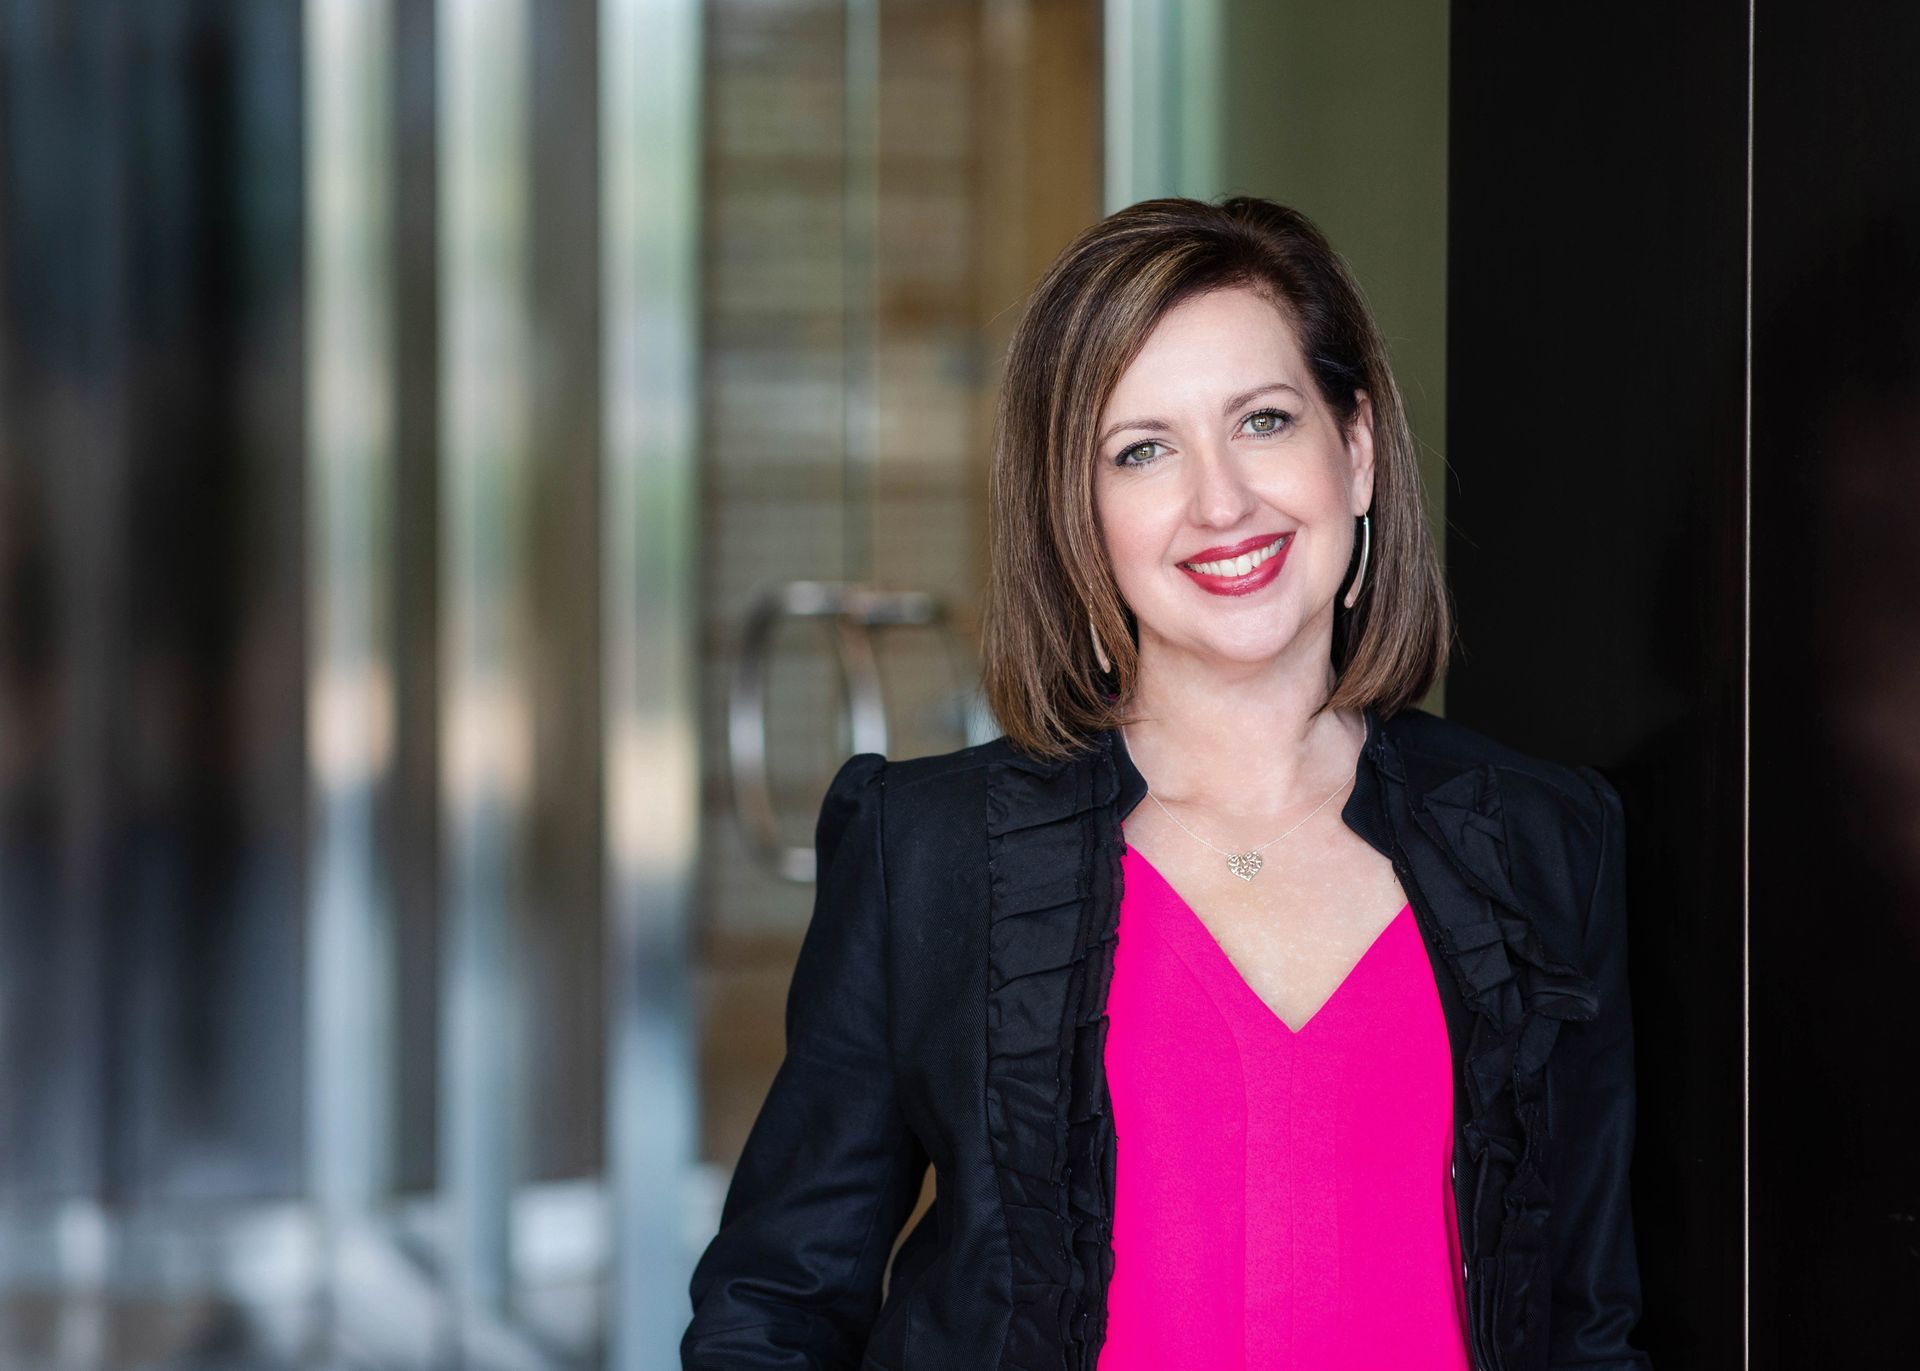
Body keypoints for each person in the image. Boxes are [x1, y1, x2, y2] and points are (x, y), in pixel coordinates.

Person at [682, 196, 1652, 1371]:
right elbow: (775, 1306)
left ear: (1355, 454)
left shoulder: (1547, 841)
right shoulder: (927, 853)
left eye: (1264, 421)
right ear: (1080, 518)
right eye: (1142, 449)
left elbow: (1588, 1323)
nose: (1221, 502)